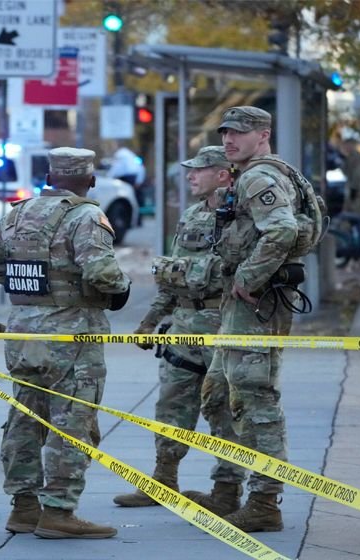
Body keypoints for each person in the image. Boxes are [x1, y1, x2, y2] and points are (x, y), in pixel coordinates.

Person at [0, 147, 131, 539]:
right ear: (90, 179)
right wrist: (118, 290)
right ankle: (59, 511)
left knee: (24, 421)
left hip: (24, 334)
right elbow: (101, 272)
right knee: (72, 423)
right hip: (72, 335)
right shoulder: (86, 216)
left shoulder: (18, 212)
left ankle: (23, 507)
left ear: (49, 178)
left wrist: (35, 295)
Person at [182, 106, 300, 533]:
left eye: (240, 133)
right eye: (226, 132)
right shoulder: (252, 171)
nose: (230, 140)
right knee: (217, 394)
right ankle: (227, 490)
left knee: (254, 402)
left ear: (264, 134)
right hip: (241, 308)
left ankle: (265, 501)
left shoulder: (258, 176)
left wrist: (249, 277)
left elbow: (283, 230)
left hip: (256, 305)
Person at [113, 146, 244, 510]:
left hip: (222, 325)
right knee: (171, 406)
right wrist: (150, 321)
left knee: (221, 410)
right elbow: (172, 277)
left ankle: (227, 491)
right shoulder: (189, 215)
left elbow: (233, 273)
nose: (191, 176)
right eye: (190, 170)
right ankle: (163, 481)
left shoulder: (239, 218)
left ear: (223, 174)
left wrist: (186, 274)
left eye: (199, 170)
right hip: (183, 326)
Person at [340, 137, 360, 215]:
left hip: (357, 188)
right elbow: (345, 171)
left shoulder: (356, 157)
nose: (345, 148)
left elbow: (358, 174)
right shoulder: (349, 157)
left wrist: (354, 189)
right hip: (353, 186)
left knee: (356, 211)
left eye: (347, 145)